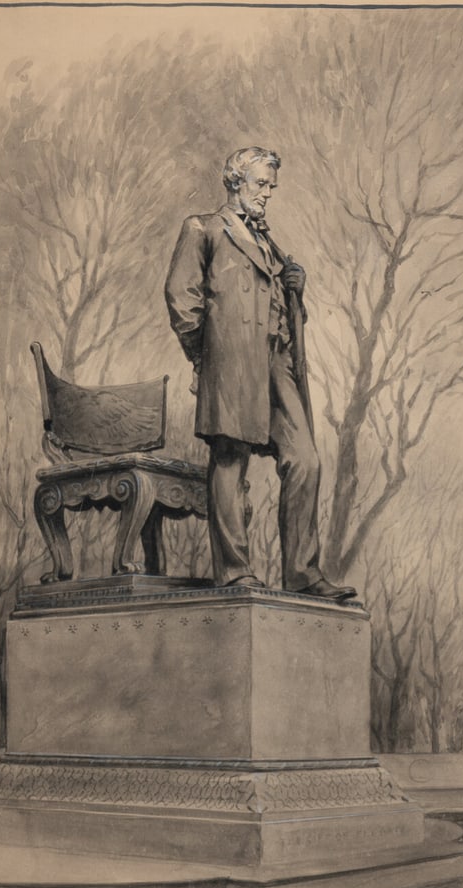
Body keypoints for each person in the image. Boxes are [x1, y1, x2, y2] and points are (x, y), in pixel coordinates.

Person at [165, 146, 356, 601]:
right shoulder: (204, 228)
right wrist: (205, 358)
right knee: (230, 458)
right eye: (261, 184)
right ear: (235, 181)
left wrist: (296, 292)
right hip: (229, 362)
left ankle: (302, 574)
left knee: (305, 459)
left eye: (271, 186)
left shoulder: (270, 243)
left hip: (275, 363)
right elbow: (181, 298)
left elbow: (280, 310)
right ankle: (234, 572)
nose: (268, 193)